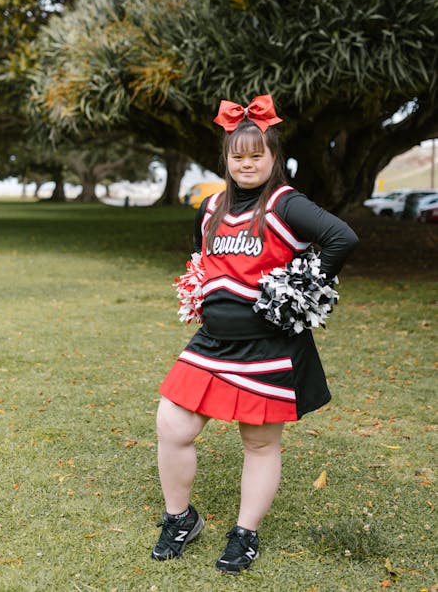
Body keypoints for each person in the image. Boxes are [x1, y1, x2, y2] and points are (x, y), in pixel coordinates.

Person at [151, 95, 359, 574]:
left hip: (267, 348)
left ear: (273, 158)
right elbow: (203, 260)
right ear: (225, 159)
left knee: (260, 443)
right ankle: (180, 519)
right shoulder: (210, 206)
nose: (246, 164)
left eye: (256, 156)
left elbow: (343, 238)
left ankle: (245, 534)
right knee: (172, 424)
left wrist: (302, 288)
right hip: (212, 343)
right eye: (237, 156)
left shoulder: (287, 204)